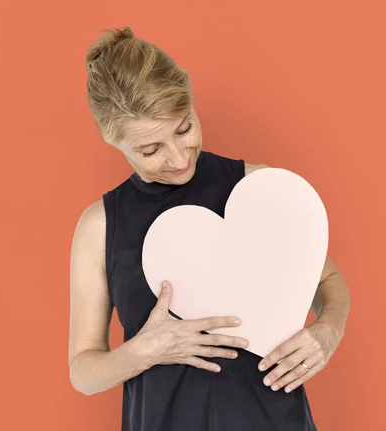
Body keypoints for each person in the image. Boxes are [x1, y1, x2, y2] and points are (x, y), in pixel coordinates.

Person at [68, 27, 351, 431]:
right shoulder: (100, 226)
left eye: (184, 128)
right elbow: (83, 370)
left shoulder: (259, 189)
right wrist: (145, 350)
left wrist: (328, 331)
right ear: (117, 143)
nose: (179, 157)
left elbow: (330, 280)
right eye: (151, 150)